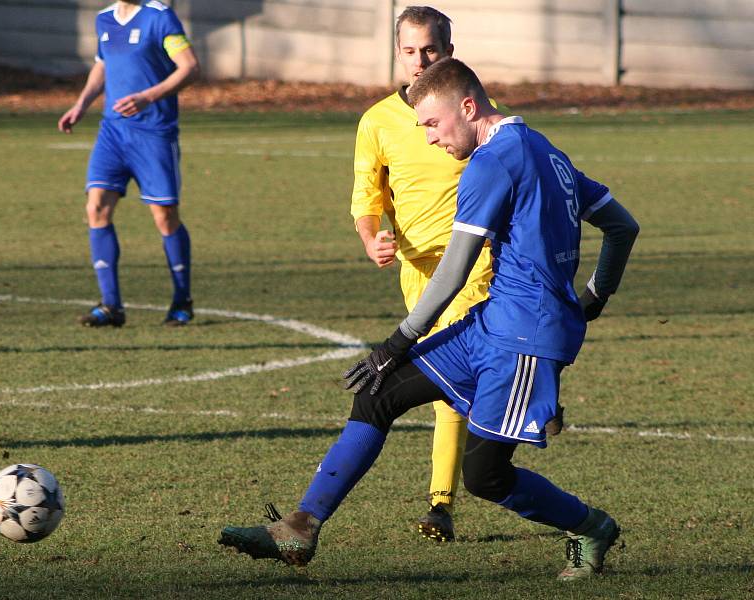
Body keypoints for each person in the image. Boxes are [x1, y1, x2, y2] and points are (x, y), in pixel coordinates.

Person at [219, 58, 639, 580]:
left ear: (468, 106)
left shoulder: (491, 163)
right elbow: (623, 226)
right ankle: (300, 526)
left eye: (433, 125)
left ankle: (591, 526)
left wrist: (399, 339)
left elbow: (455, 269)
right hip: (491, 323)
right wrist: (595, 296)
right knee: (378, 392)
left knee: (485, 477)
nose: (430, 139)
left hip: (523, 339)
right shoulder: (547, 153)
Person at [351, 5, 495, 542]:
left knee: (447, 379)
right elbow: (366, 196)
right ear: (397, 53)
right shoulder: (377, 121)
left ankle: (440, 503)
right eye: (410, 51)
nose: (419, 61)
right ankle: (526, 391)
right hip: (416, 271)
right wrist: (372, 238)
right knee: (463, 378)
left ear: (449, 52)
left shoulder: (475, 114)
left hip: (474, 263)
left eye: (430, 50)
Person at [58, 0, 200, 327]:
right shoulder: (104, 19)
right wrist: (81, 105)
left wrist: (147, 97)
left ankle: (182, 301)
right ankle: (111, 306)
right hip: (112, 132)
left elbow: (190, 67)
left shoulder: (159, 17)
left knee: (164, 217)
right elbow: (102, 65)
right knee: (96, 208)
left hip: (153, 133)